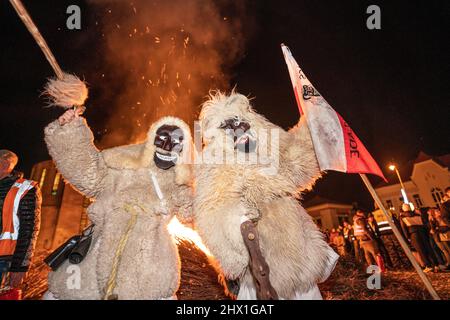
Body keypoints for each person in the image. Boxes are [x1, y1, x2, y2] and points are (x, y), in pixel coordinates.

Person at [42, 75, 194, 300]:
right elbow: (87, 172)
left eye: (175, 141)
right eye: (162, 138)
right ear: (152, 140)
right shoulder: (122, 166)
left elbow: (196, 212)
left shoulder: (179, 184)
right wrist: (70, 130)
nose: (167, 144)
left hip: (149, 266)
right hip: (95, 258)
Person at [193, 92, 338, 300]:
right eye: (229, 127)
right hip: (260, 276)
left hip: (301, 265)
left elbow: (299, 161)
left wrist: (313, 123)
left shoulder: (269, 151)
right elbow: (210, 213)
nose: (239, 130)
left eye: (241, 123)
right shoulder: (216, 167)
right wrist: (238, 230)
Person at [0, 150, 41, 297]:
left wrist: (20, 266)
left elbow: (30, 228)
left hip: (4, 261)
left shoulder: (25, 188)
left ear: (5, 164)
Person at [400, 203, 439, 273]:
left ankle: (428, 266)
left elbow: (404, 228)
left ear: (403, 209)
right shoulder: (417, 214)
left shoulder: (402, 217)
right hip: (422, 232)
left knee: (421, 250)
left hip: (413, 234)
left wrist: (407, 237)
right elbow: (424, 223)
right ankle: (436, 264)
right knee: (428, 248)